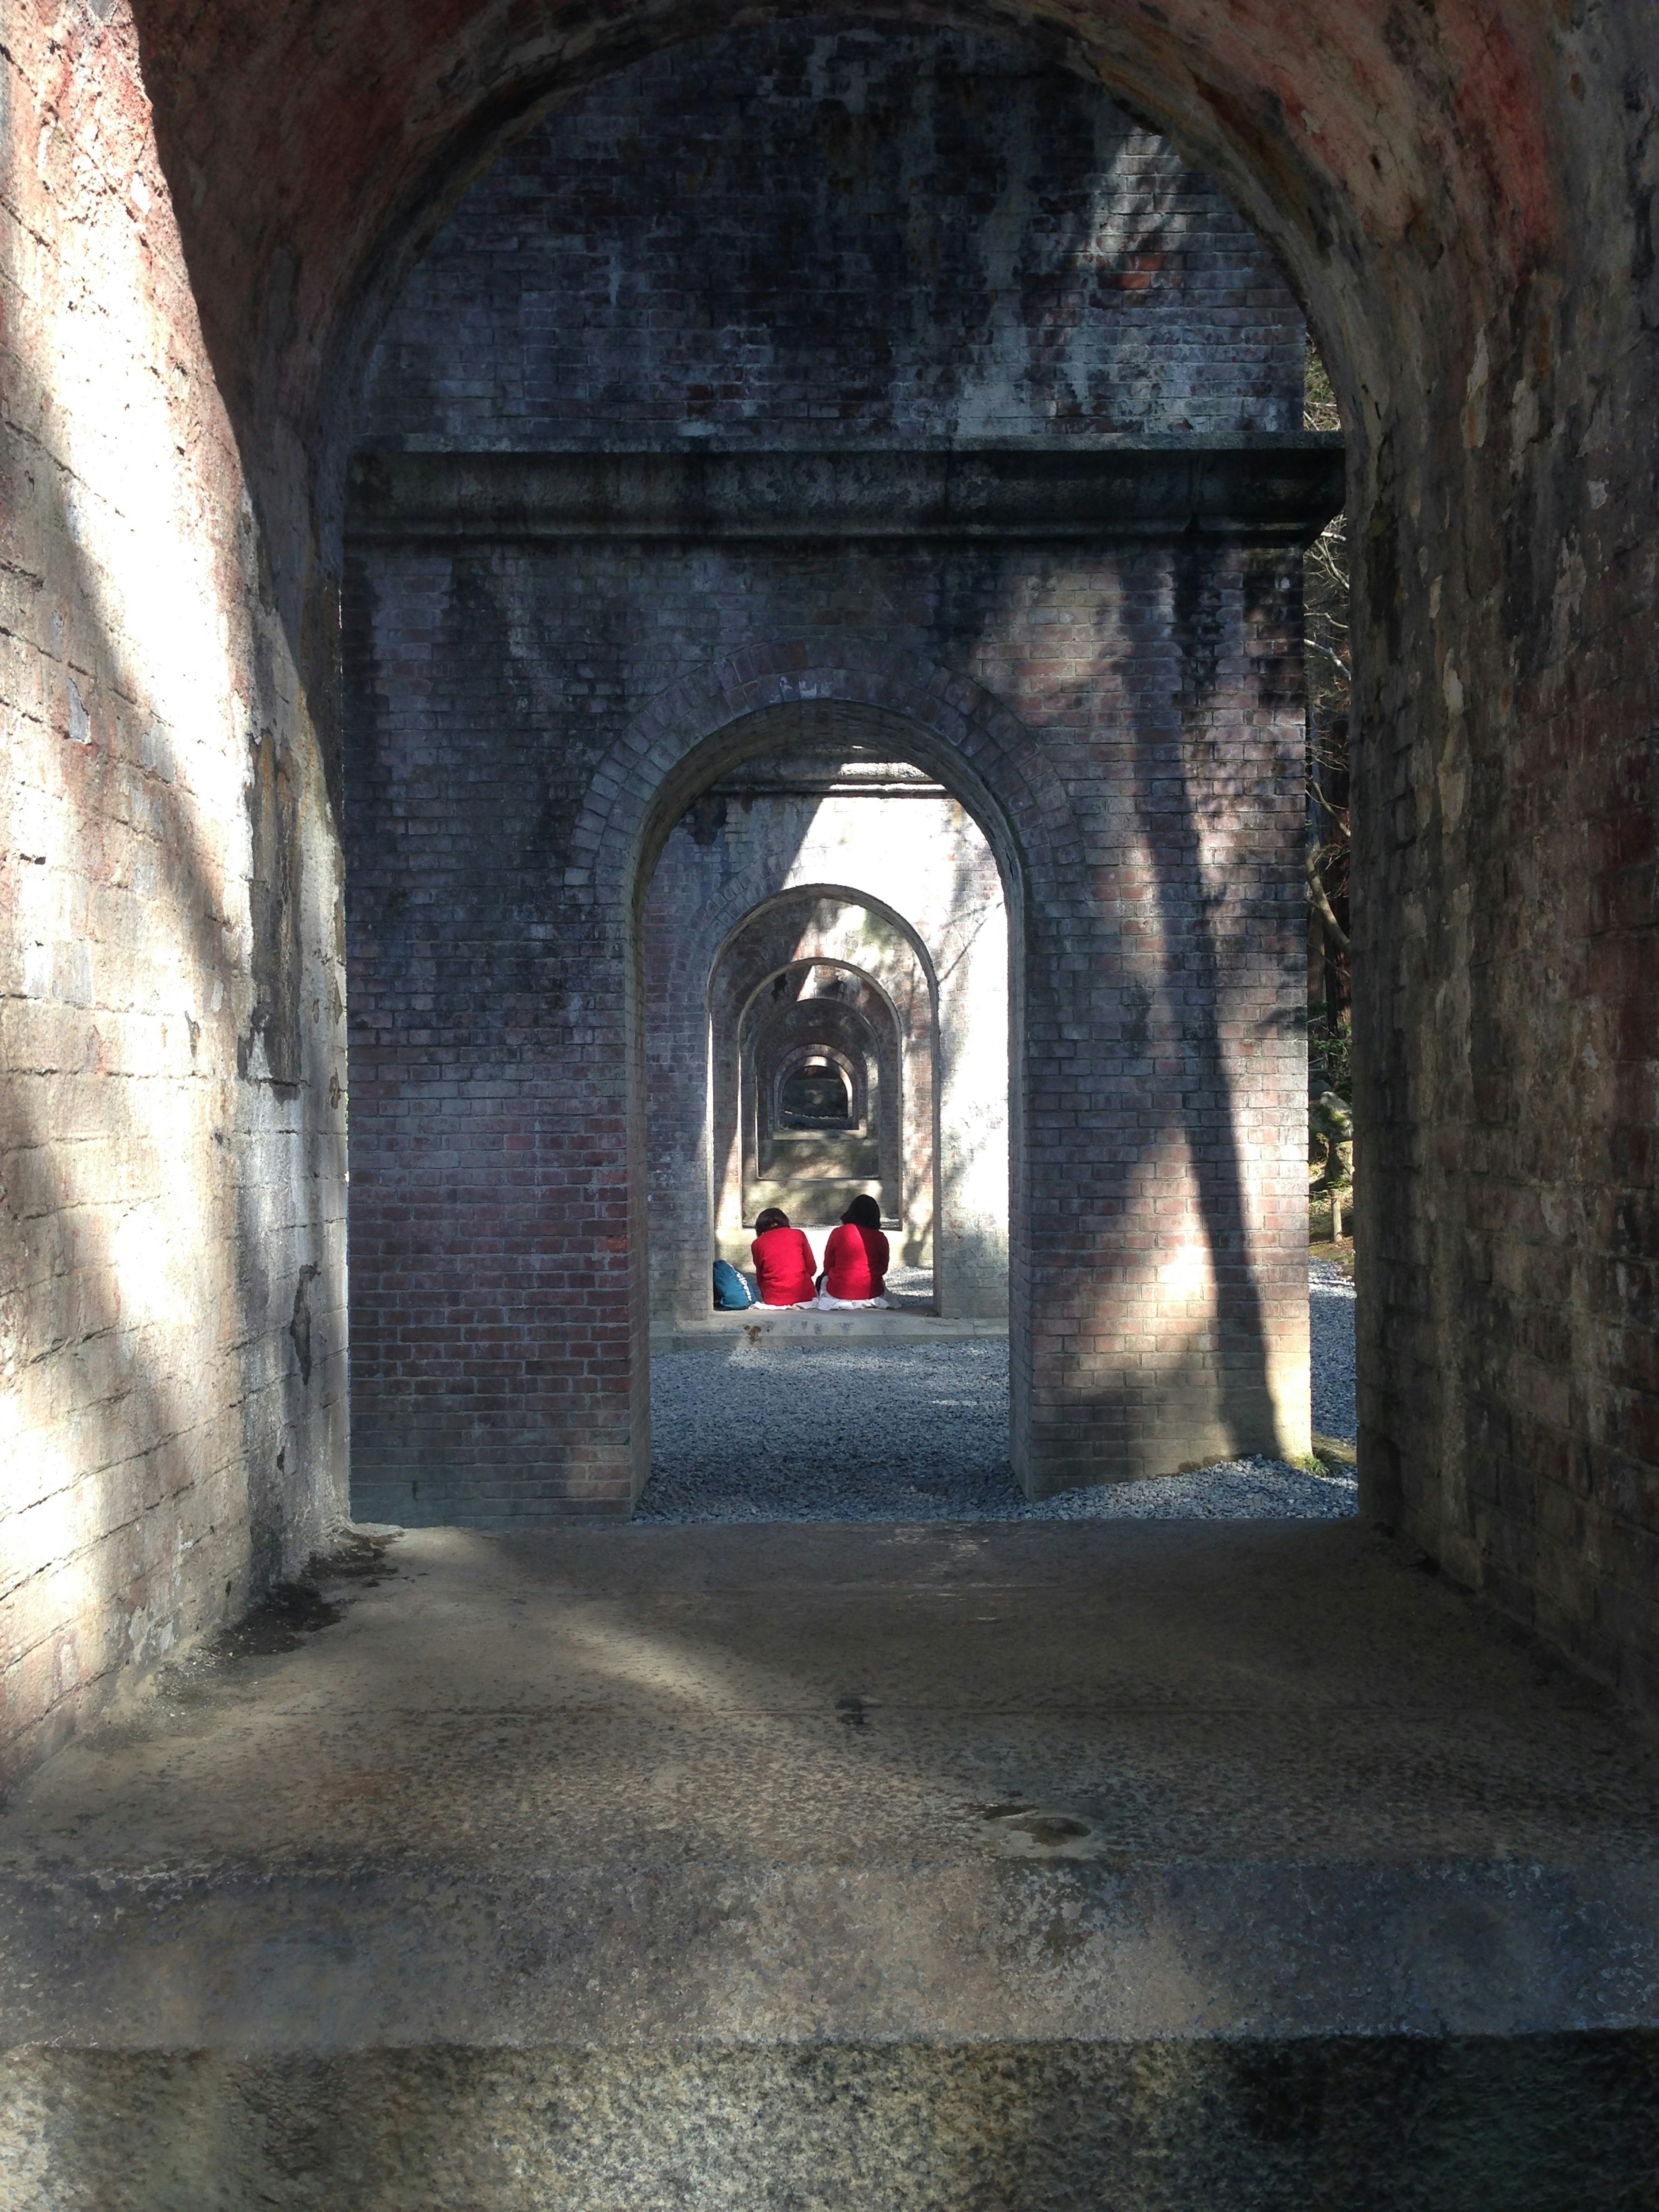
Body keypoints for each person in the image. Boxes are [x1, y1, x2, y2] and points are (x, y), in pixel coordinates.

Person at [817, 1193, 890, 1307]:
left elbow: (828, 1266)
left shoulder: (838, 1233)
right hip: (872, 1293)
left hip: (838, 1293)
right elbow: (883, 1268)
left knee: (822, 1280)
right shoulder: (880, 1237)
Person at [750, 1206, 818, 1306]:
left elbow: (760, 1279)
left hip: (774, 1299)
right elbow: (812, 1268)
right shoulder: (798, 1235)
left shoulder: (757, 1244)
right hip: (804, 1297)